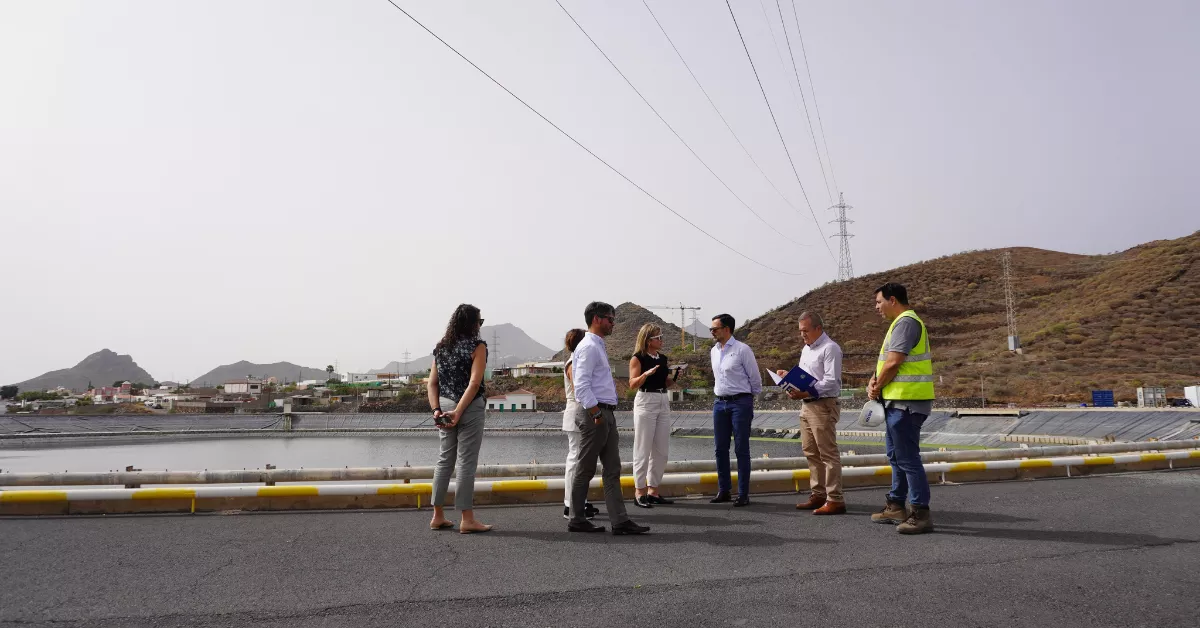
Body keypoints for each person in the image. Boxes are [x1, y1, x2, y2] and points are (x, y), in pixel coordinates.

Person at [567, 301, 649, 535]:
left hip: (605, 412)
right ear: (596, 319)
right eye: (610, 319)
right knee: (585, 468)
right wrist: (595, 414)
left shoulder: (597, 345)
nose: (613, 323)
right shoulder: (588, 347)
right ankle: (577, 518)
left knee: (612, 468)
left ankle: (620, 521)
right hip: (596, 413)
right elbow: (581, 386)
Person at [867, 283, 936, 535]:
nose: (876, 307)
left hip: (907, 403)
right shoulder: (900, 323)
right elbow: (887, 362)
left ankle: (920, 512)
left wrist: (877, 387)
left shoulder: (906, 322)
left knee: (908, 458)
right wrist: (873, 381)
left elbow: (894, 362)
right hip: (897, 402)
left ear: (892, 300)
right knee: (896, 456)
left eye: (878, 302)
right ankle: (896, 504)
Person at [426, 304, 492, 534]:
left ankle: (437, 516)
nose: (480, 326)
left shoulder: (441, 348)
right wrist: (460, 410)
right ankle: (467, 519)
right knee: (466, 462)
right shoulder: (478, 346)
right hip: (469, 407)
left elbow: (432, 383)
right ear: (473, 324)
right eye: (479, 322)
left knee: (445, 460)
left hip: (444, 405)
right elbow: (475, 383)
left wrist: (436, 410)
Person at [777, 312, 845, 515]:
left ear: (818, 328)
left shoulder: (830, 348)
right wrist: (788, 378)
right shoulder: (806, 349)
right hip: (807, 404)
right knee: (811, 452)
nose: (802, 335)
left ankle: (835, 498)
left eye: (805, 331)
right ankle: (819, 494)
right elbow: (805, 376)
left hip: (823, 404)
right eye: (800, 331)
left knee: (827, 454)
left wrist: (806, 392)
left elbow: (831, 382)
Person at [708, 313, 761, 506]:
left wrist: (747, 399)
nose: (712, 332)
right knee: (720, 449)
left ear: (727, 329)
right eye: (711, 329)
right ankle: (724, 490)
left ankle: (743, 493)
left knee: (741, 448)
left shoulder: (742, 350)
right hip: (719, 403)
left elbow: (755, 379)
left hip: (740, 403)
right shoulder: (713, 351)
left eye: (715, 328)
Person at [628, 323, 680, 508]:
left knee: (661, 450)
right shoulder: (638, 358)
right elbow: (633, 384)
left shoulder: (663, 358)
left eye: (661, 337)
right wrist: (646, 374)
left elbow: (666, 384)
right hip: (646, 400)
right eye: (658, 337)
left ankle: (653, 491)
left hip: (662, 399)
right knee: (642, 448)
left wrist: (675, 376)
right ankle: (639, 492)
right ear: (648, 340)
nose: (661, 340)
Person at [561, 328, 599, 520]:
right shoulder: (572, 363)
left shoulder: (575, 361)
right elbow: (579, 390)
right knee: (575, 459)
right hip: (577, 413)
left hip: (577, 413)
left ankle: (579, 501)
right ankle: (570, 504)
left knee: (580, 460)